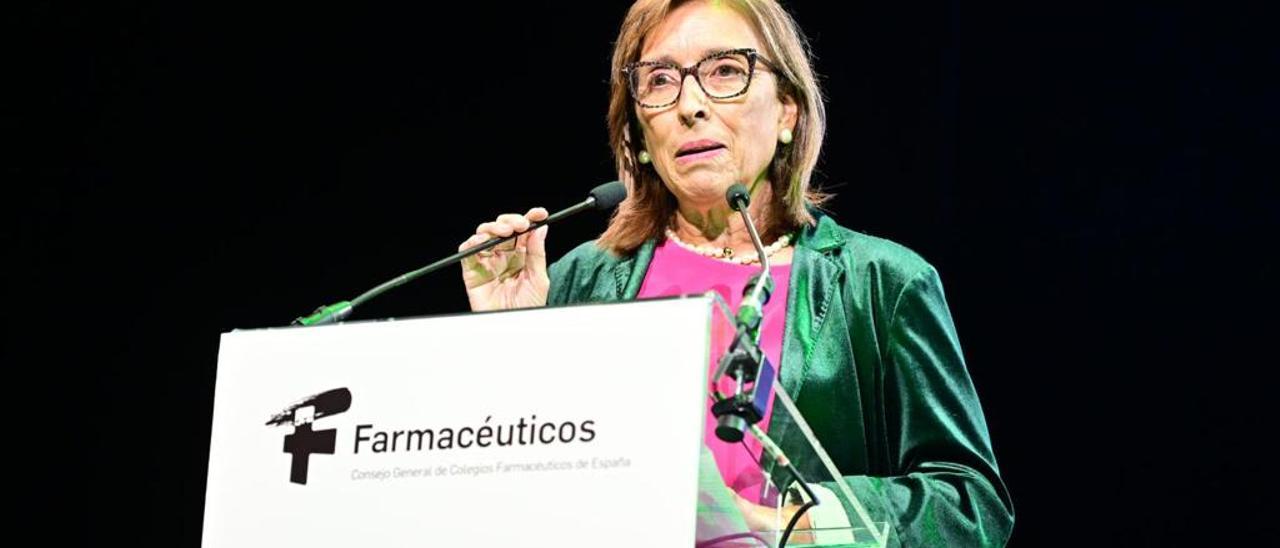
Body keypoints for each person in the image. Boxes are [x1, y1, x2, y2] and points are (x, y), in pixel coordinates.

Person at [457, 0, 1014, 545]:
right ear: (639, 137)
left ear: (788, 112)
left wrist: (781, 524)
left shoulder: (881, 284)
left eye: (725, 70)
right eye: (659, 82)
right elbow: (524, 493)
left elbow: (969, 506)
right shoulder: (584, 279)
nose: (689, 105)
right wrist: (510, 345)